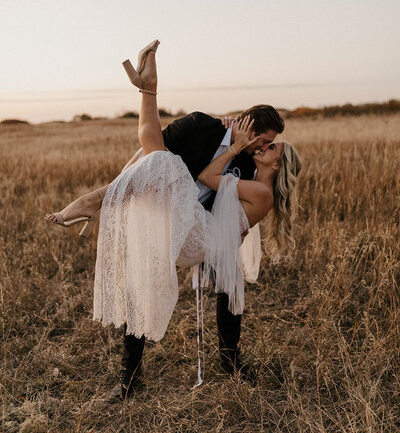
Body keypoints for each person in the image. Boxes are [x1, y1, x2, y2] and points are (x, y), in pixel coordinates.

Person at [45, 40, 302, 399]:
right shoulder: (200, 125)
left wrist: (236, 153)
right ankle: (129, 379)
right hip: (168, 216)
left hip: (203, 230)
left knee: (229, 283)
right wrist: (121, 196)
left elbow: (220, 195)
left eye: (269, 146)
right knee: (158, 172)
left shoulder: (249, 168)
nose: (262, 147)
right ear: (249, 125)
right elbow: (148, 155)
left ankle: (230, 360)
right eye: (264, 139)